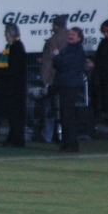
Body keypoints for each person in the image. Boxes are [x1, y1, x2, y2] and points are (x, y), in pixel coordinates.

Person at [53, 27, 87, 153]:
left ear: (79, 38)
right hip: (66, 85)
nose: (70, 36)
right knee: (65, 116)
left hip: (70, 86)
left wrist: (56, 56)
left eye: (73, 34)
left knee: (68, 116)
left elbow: (62, 64)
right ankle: (68, 143)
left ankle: (71, 143)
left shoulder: (76, 50)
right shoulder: (69, 49)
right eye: (70, 34)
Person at [0, 23, 27, 148]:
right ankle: (16, 138)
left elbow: (13, 69)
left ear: (10, 35)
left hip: (14, 88)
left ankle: (16, 139)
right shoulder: (18, 46)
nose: (5, 35)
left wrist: (2, 73)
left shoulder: (15, 47)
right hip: (18, 87)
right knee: (16, 115)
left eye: (6, 33)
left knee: (15, 115)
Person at [38, 14, 69, 143]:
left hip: (53, 79)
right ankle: (67, 135)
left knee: (49, 109)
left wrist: (44, 80)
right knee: (66, 109)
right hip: (69, 80)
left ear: (56, 25)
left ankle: (48, 136)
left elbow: (47, 63)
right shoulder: (71, 38)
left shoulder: (52, 41)